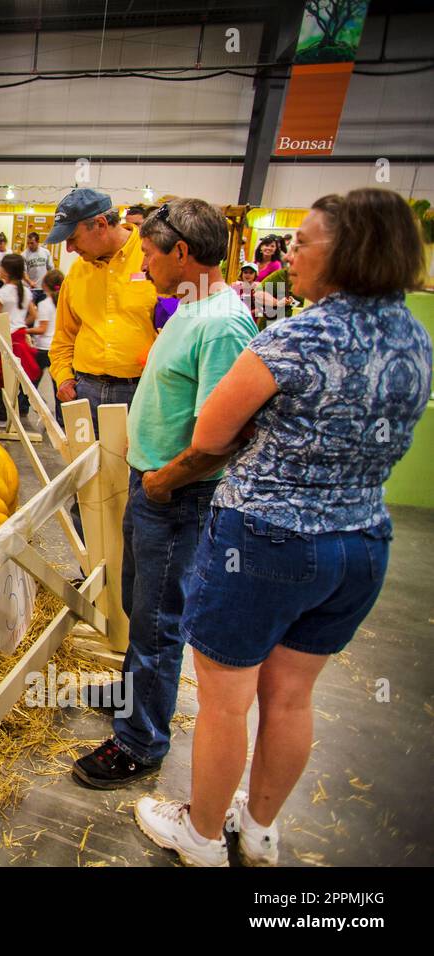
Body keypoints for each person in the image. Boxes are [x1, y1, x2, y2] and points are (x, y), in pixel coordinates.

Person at [133, 188, 432, 866]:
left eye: (304, 242)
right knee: (293, 699)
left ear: (347, 252)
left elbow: (211, 432)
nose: (287, 254)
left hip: (266, 540)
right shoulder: (414, 336)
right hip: (360, 541)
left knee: (226, 701)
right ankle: (260, 828)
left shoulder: (299, 336)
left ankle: (202, 834)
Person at [72, 198, 258, 790]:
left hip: (177, 496)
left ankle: (140, 741)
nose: (142, 263)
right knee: (139, 602)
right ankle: (134, 697)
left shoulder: (222, 325)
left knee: (157, 620)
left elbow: (225, 435)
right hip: (153, 484)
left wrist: (162, 480)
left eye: (149, 254)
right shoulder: (188, 306)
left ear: (182, 253)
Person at [46, 188, 158, 425]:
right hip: (84, 391)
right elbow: (64, 336)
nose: (69, 249)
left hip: (141, 392)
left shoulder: (153, 259)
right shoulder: (77, 273)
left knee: (132, 463)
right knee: (83, 462)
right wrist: (64, 378)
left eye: (72, 238)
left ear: (100, 224)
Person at [0, 252, 38, 426]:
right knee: (19, 377)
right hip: (20, 337)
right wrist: (21, 325)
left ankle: (1, 416)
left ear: (7, 271)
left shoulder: (1, 292)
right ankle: (18, 411)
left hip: (4, 338)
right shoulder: (26, 292)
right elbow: (34, 314)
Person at [31, 268, 61, 400]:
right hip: (57, 348)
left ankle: (23, 407)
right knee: (59, 386)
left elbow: (42, 329)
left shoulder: (44, 304)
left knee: (31, 382)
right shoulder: (62, 302)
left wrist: (24, 330)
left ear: (44, 285)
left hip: (43, 348)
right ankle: (61, 418)